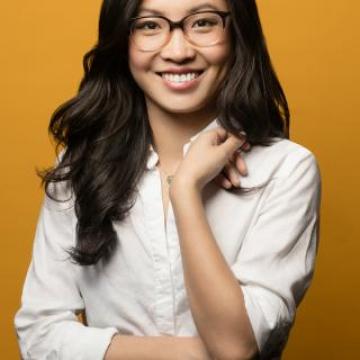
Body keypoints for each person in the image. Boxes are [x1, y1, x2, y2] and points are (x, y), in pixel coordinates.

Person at [14, 0, 321, 359]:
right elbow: (39, 334)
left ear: (238, 34)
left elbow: (235, 350)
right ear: (122, 39)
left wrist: (186, 190)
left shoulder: (286, 169)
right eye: (149, 25)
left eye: (203, 23)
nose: (178, 51)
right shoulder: (81, 165)